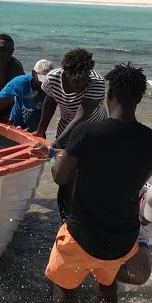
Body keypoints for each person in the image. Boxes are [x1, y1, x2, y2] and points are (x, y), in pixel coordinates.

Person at [44, 63, 152, 303]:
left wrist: (58, 154)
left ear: (110, 94)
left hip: (82, 234)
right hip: (122, 238)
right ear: (139, 98)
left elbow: (59, 177)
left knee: (62, 286)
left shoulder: (87, 131)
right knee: (106, 279)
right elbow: (136, 179)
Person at [33, 47, 107, 220]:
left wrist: (57, 142)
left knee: (90, 177)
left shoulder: (96, 82)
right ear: (66, 73)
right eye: (77, 79)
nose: (82, 83)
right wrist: (41, 131)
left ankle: (91, 218)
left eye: (85, 77)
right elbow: (50, 103)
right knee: (65, 178)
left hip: (94, 131)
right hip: (67, 127)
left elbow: (82, 117)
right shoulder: (53, 78)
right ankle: (66, 222)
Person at [0, 59, 53, 131]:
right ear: (33, 73)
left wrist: (27, 130)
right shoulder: (20, 82)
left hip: (35, 129)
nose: (44, 83)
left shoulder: (52, 89)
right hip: (14, 123)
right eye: (41, 80)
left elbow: (46, 116)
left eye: (47, 80)